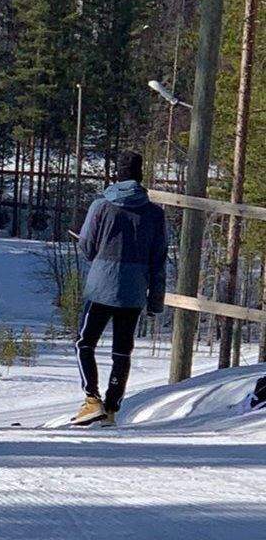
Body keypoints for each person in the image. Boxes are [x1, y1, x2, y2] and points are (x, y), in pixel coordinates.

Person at [72, 150, 167, 427]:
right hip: (134, 291)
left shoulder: (101, 206)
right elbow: (159, 260)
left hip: (101, 286)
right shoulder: (154, 214)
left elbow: (88, 248)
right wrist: (155, 300)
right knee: (122, 352)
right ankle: (112, 409)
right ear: (140, 176)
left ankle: (92, 400)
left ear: (117, 175)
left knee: (84, 343)